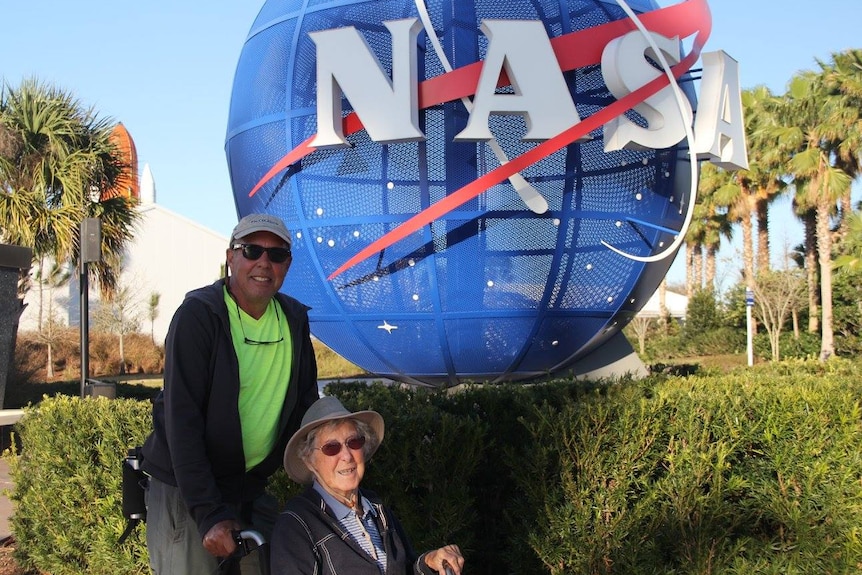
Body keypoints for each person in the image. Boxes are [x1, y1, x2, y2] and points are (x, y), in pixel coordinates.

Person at [140, 212, 320, 575]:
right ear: (231, 257)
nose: (263, 263)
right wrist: (207, 514)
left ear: (288, 263)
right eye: (251, 250)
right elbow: (182, 422)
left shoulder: (294, 320)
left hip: (248, 487)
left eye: (277, 254)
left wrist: (339, 457)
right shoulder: (200, 316)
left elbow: (307, 407)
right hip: (186, 487)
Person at [272, 396, 466, 575]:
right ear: (309, 461)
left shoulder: (375, 509)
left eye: (354, 442)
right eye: (332, 447)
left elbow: (405, 569)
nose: (347, 456)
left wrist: (428, 562)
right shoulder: (296, 523)